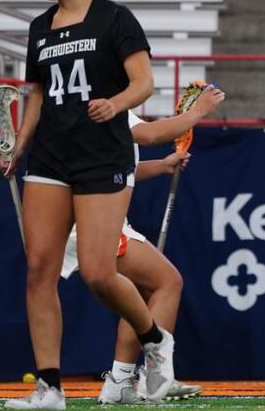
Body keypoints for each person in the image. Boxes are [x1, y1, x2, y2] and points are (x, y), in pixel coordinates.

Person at [1, 0, 173, 409]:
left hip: (103, 155)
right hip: (51, 157)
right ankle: (50, 387)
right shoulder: (40, 27)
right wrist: (19, 145)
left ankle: (154, 340)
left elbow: (143, 84)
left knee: (99, 273)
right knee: (39, 270)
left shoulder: (115, 18)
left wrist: (114, 103)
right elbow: (36, 94)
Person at [70, 86, 222, 404]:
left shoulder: (98, 109)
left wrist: (164, 166)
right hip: (96, 219)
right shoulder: (106, 107)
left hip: (91, 216)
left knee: (139, 297)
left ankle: (121, 381)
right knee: (168, 282)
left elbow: (122, 170)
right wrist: (197, 112)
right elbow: (152, 134)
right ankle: (153, 376)